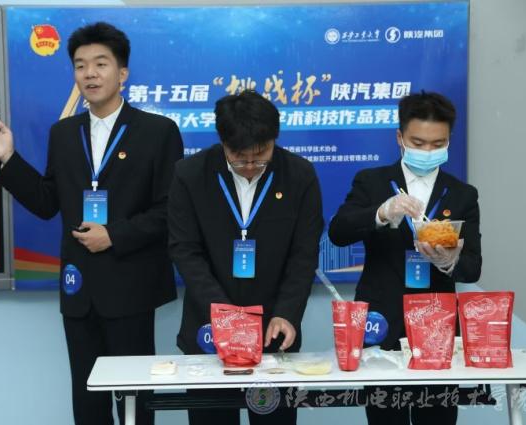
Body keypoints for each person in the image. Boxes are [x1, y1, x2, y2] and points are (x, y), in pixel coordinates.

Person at [0, 22, 183, 425]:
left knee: (135, 401)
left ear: (122, 73)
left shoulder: (158, 132)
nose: (90, 74)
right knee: (87, 403)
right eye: (81, 65)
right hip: (78, 287)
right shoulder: (64, 133)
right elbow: (47, 202)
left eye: (101, 64)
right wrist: (8, 159)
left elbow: (171, 209)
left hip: (131, 286)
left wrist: (114, 235)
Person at [168, 90, 323, 425]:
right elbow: (185, 250)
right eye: (239, 157)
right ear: (223, 142)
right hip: (209, 330)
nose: (251, 166)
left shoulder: (299, 175)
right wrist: (226, 316)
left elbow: (304, 255)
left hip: (273, 333)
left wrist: (286, 314)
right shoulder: (190, 174)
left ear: (274, 140)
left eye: (261, 155)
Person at [328, 91, 482, 425]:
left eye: (437, 144)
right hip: (381, 323)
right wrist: (382, 212)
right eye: (418, 142)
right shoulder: (371, 182)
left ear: (449, 141)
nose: (427, 151)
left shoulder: (463, 194)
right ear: (400, 138)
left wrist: (450, 260)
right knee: (385, 418)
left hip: (438, 328)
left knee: (438, 419)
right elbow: (338, 233)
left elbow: (473, 268)